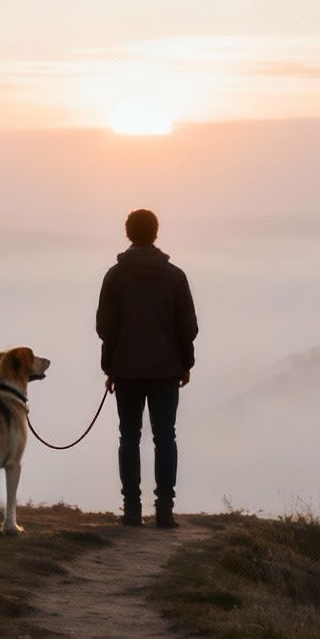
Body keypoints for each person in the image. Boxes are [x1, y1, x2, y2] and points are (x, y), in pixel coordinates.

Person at [96, 208, 198, 527]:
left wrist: (109, 367)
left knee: (129, 437)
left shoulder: (115, 276)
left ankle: (131, 510)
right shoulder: (175, 276)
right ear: (156, 232)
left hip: (125, 370)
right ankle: (165, 510)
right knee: (165, 437)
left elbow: (105, 327)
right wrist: (185, 363)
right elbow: (188, 327)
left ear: (128, 233)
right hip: (166, 371)